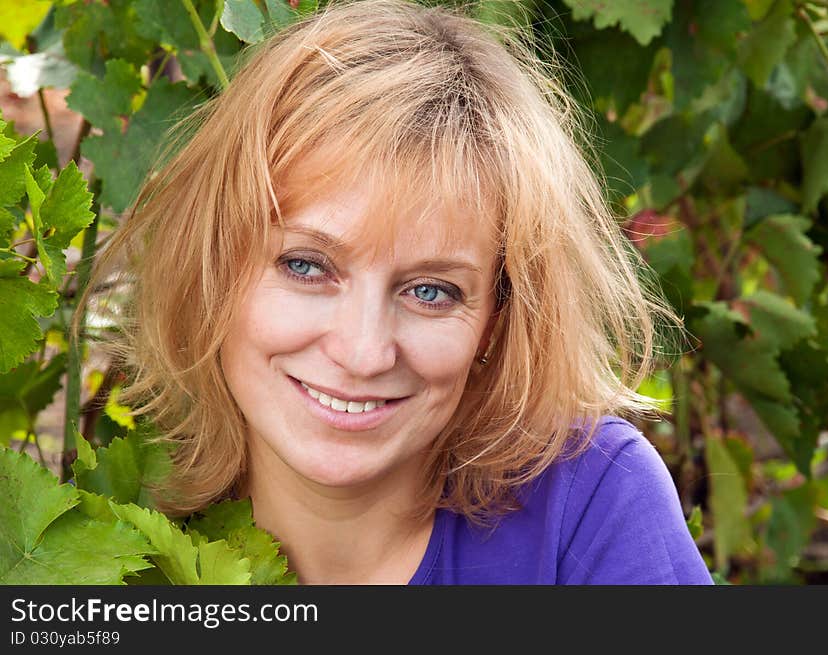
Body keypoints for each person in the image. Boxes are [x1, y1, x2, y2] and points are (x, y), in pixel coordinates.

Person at [79, 0, 713, 585]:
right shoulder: (120, 546)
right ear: (213, 267)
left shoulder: (588, 505)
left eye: (431, 292)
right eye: (306, 266)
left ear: (498, 317)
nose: (362, 352)